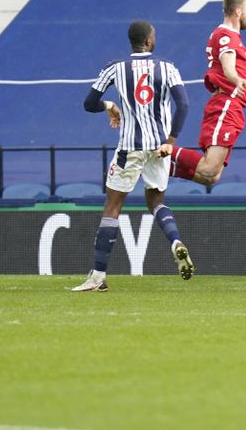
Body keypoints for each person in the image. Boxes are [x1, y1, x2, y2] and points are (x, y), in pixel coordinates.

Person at [72, 21, 194, 292]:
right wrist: (171, 141)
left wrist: (110, 105)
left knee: (112, 207)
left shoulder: (114, 68)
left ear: (133, 42)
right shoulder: (167, 67)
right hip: (158, 148)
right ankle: (175, 241)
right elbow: (183, 104)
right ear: (150, 40)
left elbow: (89, 103)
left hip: (129, 148)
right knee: (156, 202)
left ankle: (97, 278)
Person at [169, 0, 246, 185]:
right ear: (238, 11)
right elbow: (228, 66)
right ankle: (157, 148)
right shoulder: (226, 35)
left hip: (232, 106)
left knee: (212, 177)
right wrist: (237, 80)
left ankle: (163, 165)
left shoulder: (227, 35)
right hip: (226, 105)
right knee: (208, 168)